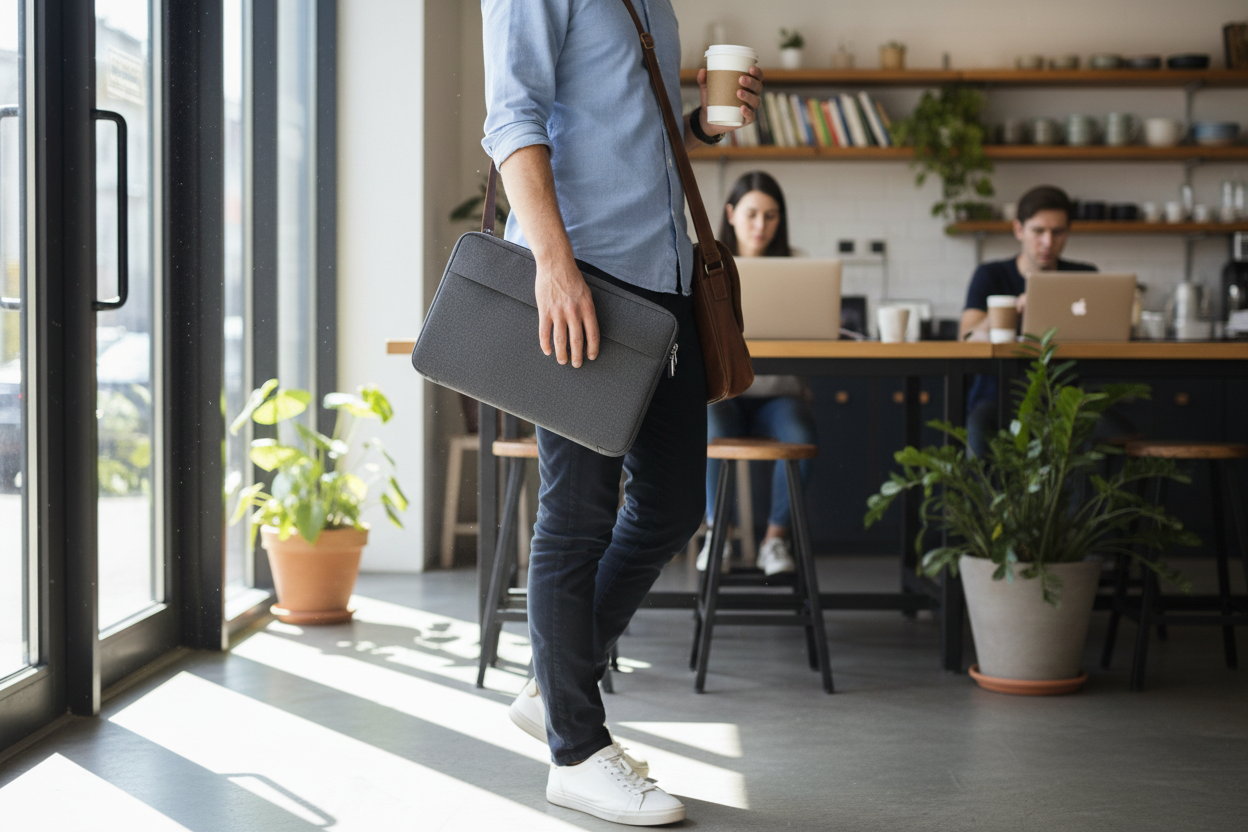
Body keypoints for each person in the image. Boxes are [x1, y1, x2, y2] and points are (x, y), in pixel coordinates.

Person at [481, 1, 762, 825]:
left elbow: (626, 123)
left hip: (665, 278)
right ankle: (575, 752)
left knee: (675, 501)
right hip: (588, 279)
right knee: (578, 515)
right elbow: (512, 114)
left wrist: (705, 127)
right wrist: (553, 266)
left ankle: (553, 683)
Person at [697, 171, 817, 576]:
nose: (760, 226)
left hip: (778, 395)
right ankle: (717, 534)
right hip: (726, 392)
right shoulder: (707, 265)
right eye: (751, 214)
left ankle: (775, 541)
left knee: (800, 433)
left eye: (770, 216)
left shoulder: (800, 269)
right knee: (710, 427)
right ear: (730, 214)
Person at [960, 186, 1096, 457]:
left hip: (1065, 397)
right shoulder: (991, 275)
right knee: (979, 431)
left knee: (1091, 436)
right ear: (1018, 230)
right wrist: (1011, 309)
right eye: (1038, 231)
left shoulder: (1085, 277)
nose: (1048, 242)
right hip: (997, 396)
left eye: (1058, 232)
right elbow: (966, 338)